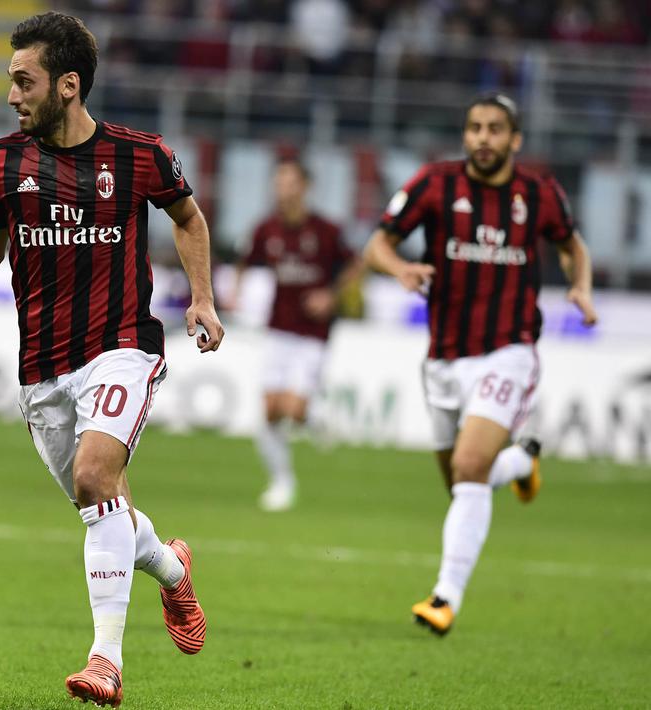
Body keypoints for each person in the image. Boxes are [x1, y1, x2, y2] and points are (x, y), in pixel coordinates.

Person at [0, 12, 224, 706]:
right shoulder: (0, 162)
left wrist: (201, 299)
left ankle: (105, 661)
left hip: (122, 345)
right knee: (103, 508)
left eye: (23, 80)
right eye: (10, 81)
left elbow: (187, 218)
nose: (11, 95)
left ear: (67, 85)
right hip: (42, 368)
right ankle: (171, 570)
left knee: (96, 474)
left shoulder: (139, 156)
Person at [363, 93, 597, 636]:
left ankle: (444, 597)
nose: (483, 138)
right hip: (444, 358)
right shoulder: (433, 184)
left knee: (470, 469)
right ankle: (522, 463)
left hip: (508, 350)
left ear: (515, 139)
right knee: (465, 483)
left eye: (495, 129)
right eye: (474, 127)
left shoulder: (539, 194)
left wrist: (580, 288)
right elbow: (378, 243)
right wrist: (398, 267)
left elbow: (572, 245)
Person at [234, 157, 363, 512]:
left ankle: (316, 416)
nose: (282, 189)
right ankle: (282, 482)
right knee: (271, 411)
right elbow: (246, 261)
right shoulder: (268, 229)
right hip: (278, 328)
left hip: (313, 333)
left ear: (305, 186)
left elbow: (356, 264)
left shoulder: (326, 230)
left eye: (289, 182)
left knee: (293, 408)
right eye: (278, 182)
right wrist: (235, 292)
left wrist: (331, 296)